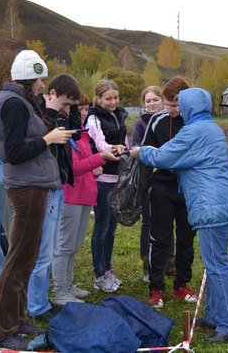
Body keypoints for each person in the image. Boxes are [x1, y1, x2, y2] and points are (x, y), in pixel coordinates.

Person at [131, 87, 228, 343]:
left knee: (217, 267)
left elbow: (166, 156)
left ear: (190, 106)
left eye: (181, 104)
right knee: (215, 264)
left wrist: (141, 151)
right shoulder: (210, 126)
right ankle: (215, 316)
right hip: (224, 199)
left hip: (210, 203)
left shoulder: (193, 131)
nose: (178, 109)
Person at [0, 50, 73, 350]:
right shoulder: (13, 104)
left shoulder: (19, 101)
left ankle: (18, 317)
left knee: (26, 258)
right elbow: (12, 153)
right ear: (29, 78)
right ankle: (2, 331)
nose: (42, 85)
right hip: (25, 188)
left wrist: (51, 133)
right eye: (40, 79)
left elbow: (24, 143)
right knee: (17, 259)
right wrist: (47, 141)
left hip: (33, 185)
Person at [52, 93, 119, 306]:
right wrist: (100, 159)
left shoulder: (82, 135)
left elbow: (85, 164)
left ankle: (68, 285)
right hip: (71, 195)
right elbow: (73, 168)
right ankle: (60, 290)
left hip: (85, 195)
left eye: (84, 109)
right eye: (78, 108)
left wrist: (95, 167)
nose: (83, 113)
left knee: (74, 245)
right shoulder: (67, 135)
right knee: (64, 246)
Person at [27, 73, 82, 322]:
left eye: (71, 105)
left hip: (58, 184)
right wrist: (51, 111)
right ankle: (37, 305)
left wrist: (69, 111)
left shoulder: (60, 111)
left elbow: (75, 135)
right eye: (64, 103)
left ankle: (41, 300)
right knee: (43, 250)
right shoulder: (39, 110)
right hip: (45, 186)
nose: (66, 108)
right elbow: (42, 139)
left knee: (51, 248)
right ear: (50, 94)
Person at [143, 76, 197, 308]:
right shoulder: (157, 120)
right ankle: (156, 288)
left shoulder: (195, 123)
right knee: (159, 238)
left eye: (175, 106)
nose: (171, 110)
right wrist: (148, 186)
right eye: (168, 105)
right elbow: (145, 153)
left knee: (187, 239)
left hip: (188, 189)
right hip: (162, 187)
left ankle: (181, 284)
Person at [87, 80, 128, 292]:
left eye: (115, 98)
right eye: (108, 98)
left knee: (112, 228)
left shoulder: (120, 114)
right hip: (102, 178)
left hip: (117, 177)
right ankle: (98, 273)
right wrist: (115, 149)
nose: (113, 102)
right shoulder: (93, 118)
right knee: (101, 226)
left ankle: (107, 269)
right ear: (99, 98)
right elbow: (100, 142)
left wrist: (128, 149)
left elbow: (125, 138)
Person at [132, 86, 165, 284]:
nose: (152, 103)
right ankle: (147, 264)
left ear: (162, 100)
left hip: (169, 176)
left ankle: (169, 262)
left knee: (168, 222)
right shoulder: (141, 123)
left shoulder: (171, 121)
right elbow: (137, 148)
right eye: (148, 101)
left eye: (155, 100)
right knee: (149, 221)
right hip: (147, 175)